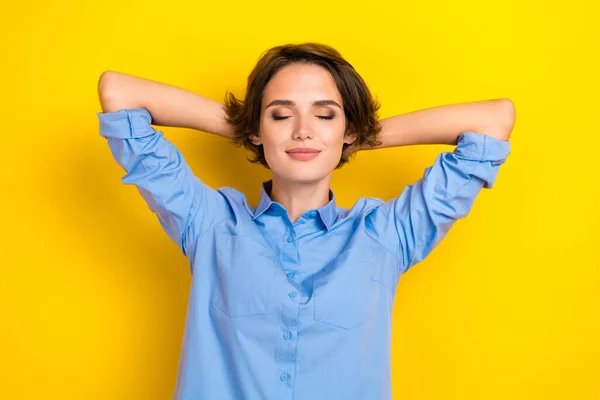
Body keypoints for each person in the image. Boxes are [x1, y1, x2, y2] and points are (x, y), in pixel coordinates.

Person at [96, 42, 514, 400]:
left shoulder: (387, 234)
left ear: (348, 129)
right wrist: (250, 125)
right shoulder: (210, 224)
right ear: (258, 129)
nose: (302, 131)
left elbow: (494, 120)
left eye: (325, 115)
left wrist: (356, 136)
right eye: (280, 115)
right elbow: (118, 92)